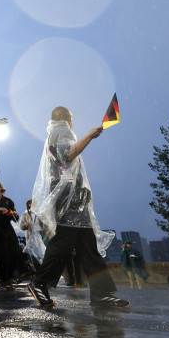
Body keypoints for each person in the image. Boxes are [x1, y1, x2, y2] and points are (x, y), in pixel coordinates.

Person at [27, 106, 129, 308]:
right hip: (68, 201)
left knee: (88, 248)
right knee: (63, 244)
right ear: (67, 118)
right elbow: (68, 155)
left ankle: (101, 293)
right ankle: (39, 283)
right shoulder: (61, 132)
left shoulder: (57, 133)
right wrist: (89, 136)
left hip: (74, 200)